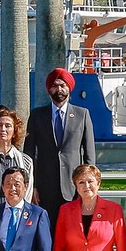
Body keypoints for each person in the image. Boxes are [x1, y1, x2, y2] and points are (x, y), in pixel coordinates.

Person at [26, 67, 96, 209]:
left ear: (69, 88)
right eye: (55, 86)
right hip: (45, 189)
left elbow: (89, 154)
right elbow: (29, 155)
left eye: (63, 85)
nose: (59, 89)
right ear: (49, 89)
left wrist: (86, 185)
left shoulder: (82, 115)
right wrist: (32, 186)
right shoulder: (37, 116)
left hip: (74, 188)